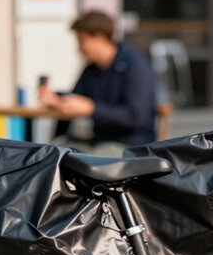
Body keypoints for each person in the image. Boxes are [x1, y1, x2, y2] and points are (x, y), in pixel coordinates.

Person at [39, 10, 156, 155]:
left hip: (131, 146)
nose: (79, 48)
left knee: (76, 161)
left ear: (100, 37)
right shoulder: (92, 69)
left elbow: (135, 117)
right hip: (97, 142)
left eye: (81, 41)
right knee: (50, 154)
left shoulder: (135, 65)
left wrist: (92, 109)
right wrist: (57, 98)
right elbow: (77, 96)